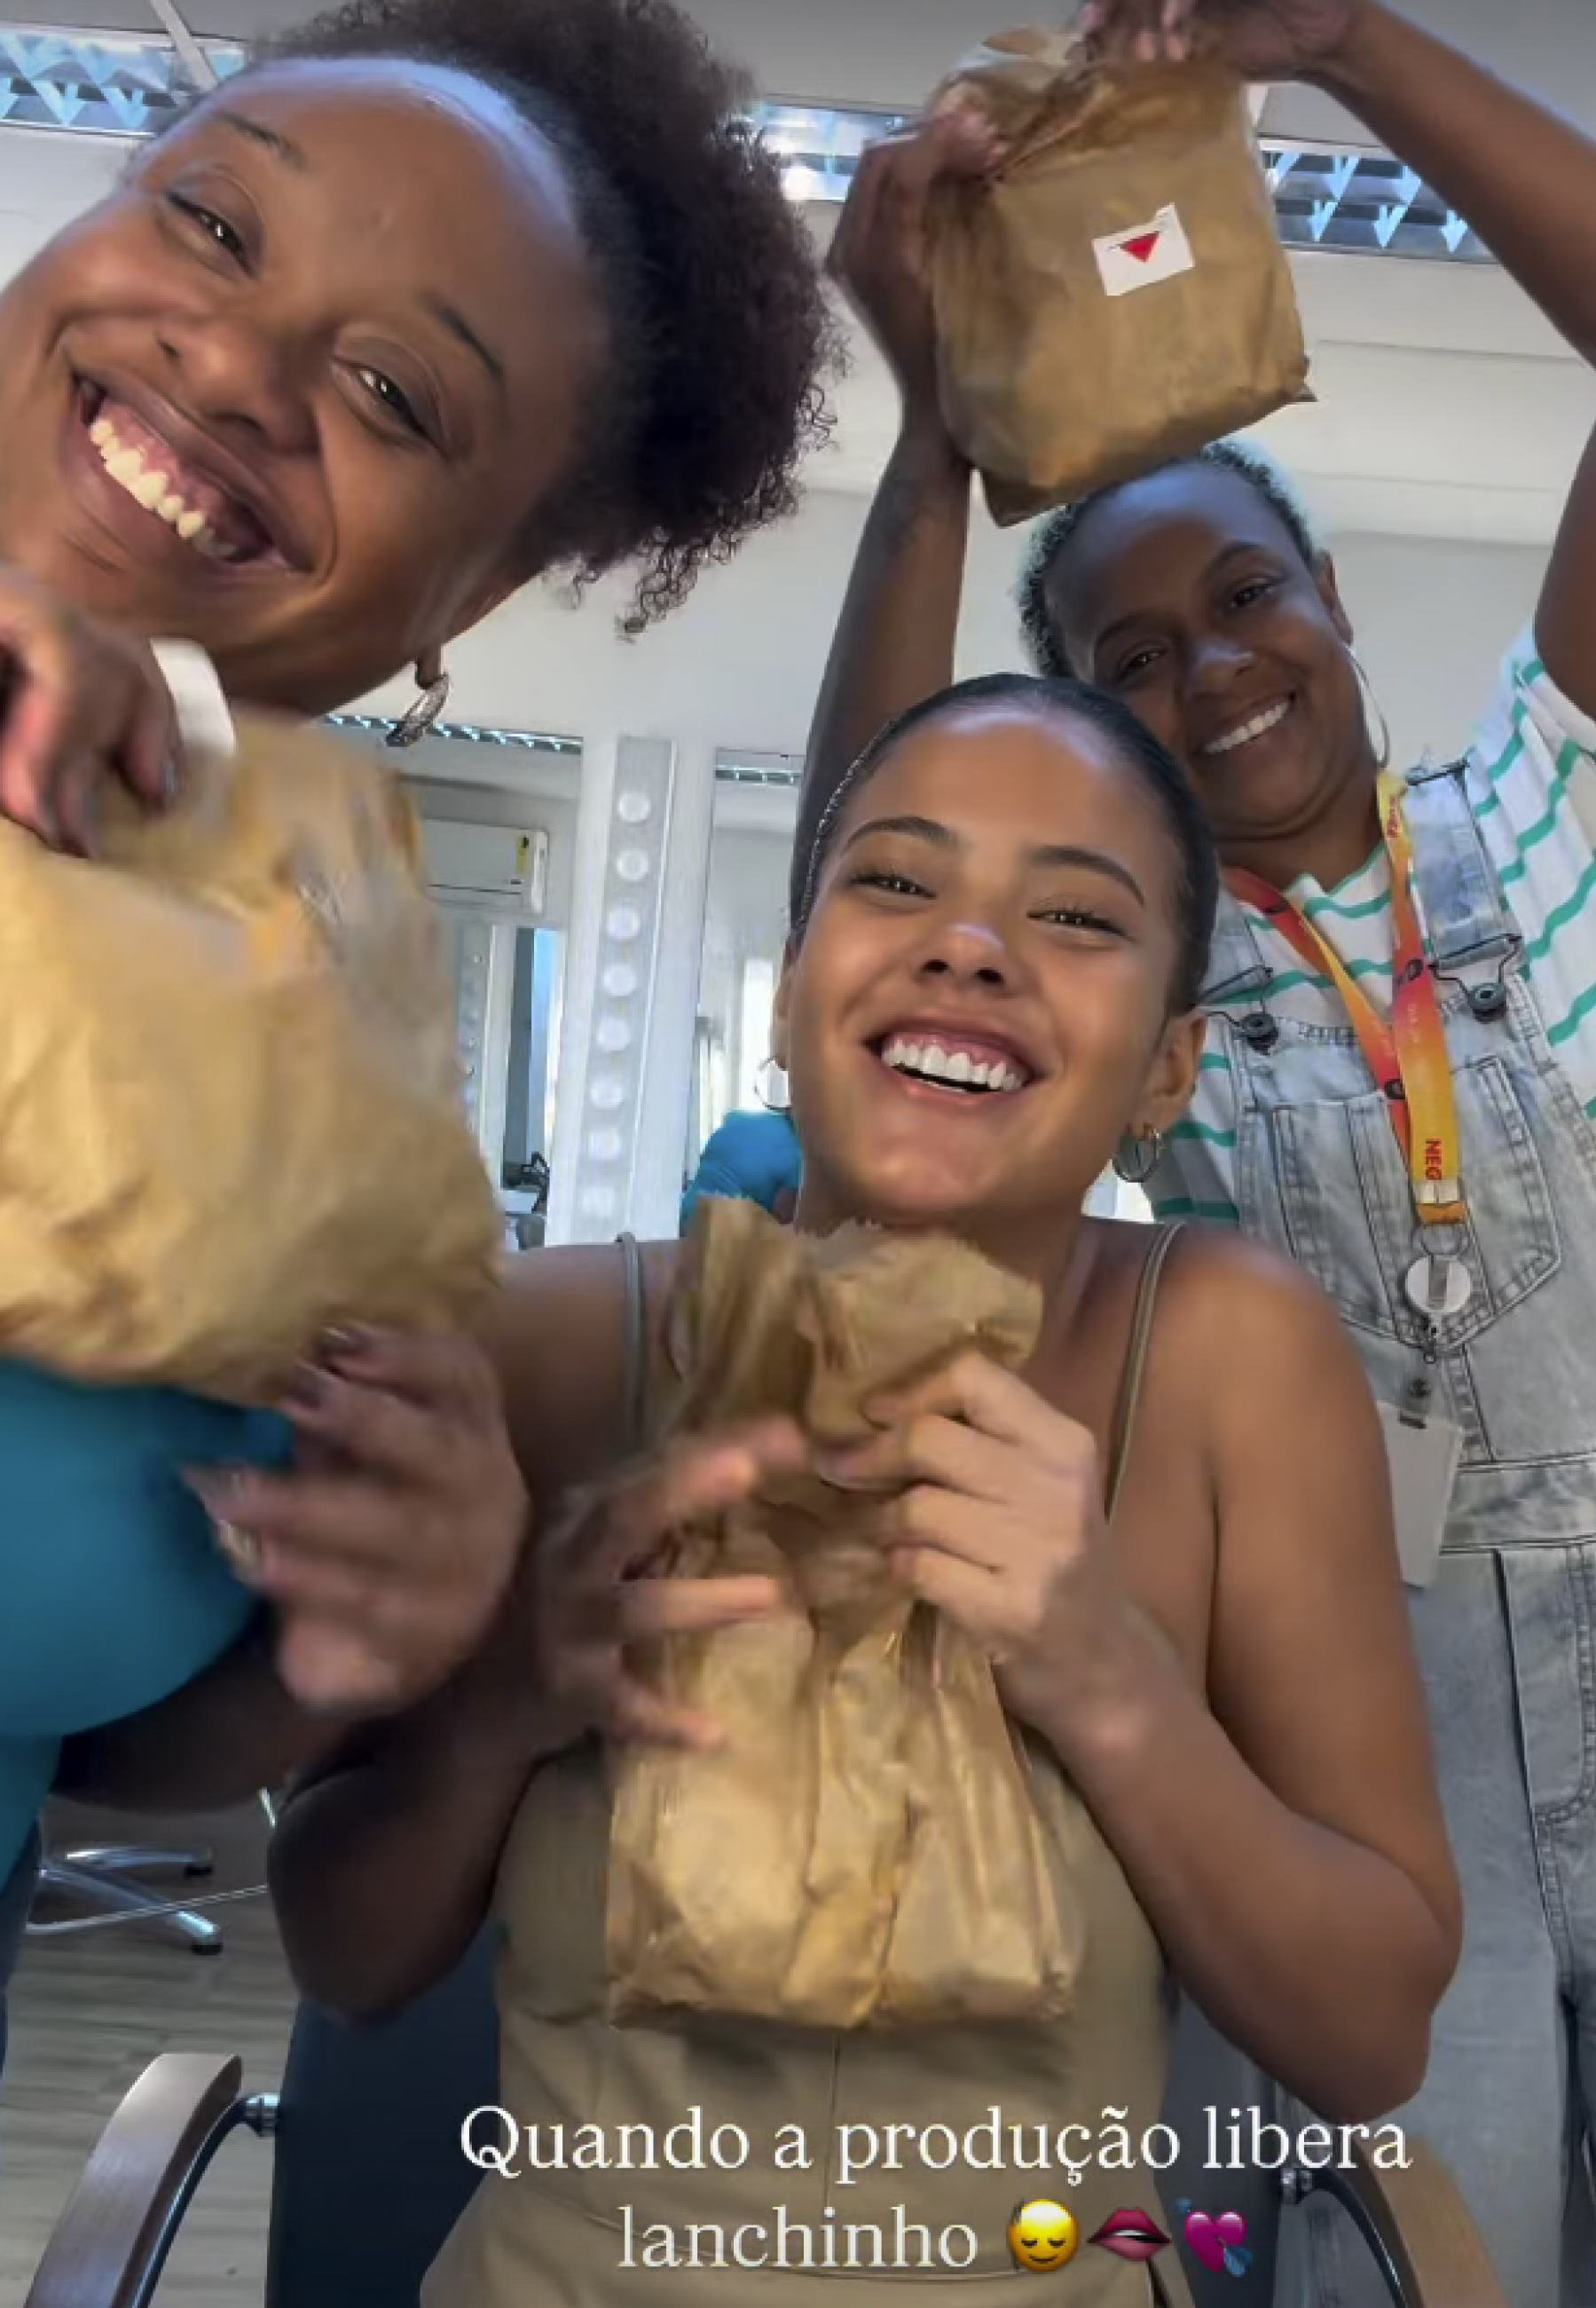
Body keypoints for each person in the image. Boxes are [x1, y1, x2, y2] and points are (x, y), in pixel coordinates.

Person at [797, 4, 1596, 2304]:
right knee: (1405, 2260)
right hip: (1354, 1719)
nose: (1207, 666)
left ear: (1332, 603)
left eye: (1242, 595)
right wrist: (932, 442)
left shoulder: (1565, 799)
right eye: (1127, 661)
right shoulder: (1132, 1013)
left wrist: (1349, 46)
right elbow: (866, 868)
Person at [267, 673, 1459, 2305]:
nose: (969, 946)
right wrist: (507, 1702)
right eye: (897, 880)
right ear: (789, 993)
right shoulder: (544, 1347)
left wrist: (1106, 1677)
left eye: (1074, 916)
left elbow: (1372, 2033)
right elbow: (341, 1949)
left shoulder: (1233, 1357)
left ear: (1169, 1070)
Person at [0, 0, 832, 2065]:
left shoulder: (332, 1076)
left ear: (469, 594)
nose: (234, 367)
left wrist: (355, 1633)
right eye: (212, 222)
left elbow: (90, 1728)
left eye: (390, 392)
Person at [680, 1107, 802, 1231]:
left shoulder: (740, 1117)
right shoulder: (798, 1157)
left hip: (683, 1214)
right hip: (718, 1232)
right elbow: (784, 1219)